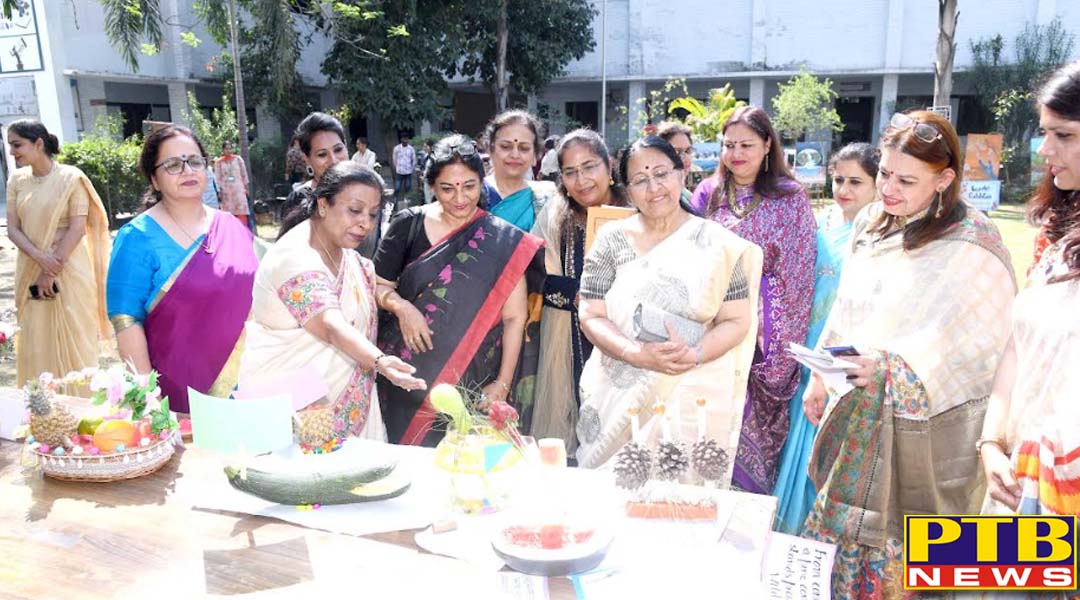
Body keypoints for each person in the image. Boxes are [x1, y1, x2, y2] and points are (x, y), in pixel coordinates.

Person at [801, 111, 1016, 597]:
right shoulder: (874, 223)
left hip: (927, 427)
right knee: (840, 549)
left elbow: (982, 348)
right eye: (885, 174)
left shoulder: (974, 243)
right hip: (856, 412)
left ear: (944, 180)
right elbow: (848, 306)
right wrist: (820, 374)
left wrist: (893, 368)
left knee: (924, 561)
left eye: (906, 180)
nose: (889, 189)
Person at [575, 136, 762, 473]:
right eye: (640, 180)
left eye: (661, 174)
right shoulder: (611, 239)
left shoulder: (719, 245)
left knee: (677, 503)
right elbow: (590, 312)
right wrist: (635, 353)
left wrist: (696, 354)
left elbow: (736, 319)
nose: (654, 188)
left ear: (681, 174)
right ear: (628, 189)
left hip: (689, 391)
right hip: (618, 392)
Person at [373, 134, 545, 446]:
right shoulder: (407, 225)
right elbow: (379, 287)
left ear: (482, 182)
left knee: (467, 467)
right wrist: (403, 308)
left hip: (474, 378)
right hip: (408, 376)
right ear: (431, 186)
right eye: (447, 188)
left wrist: (502, 385)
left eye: (469, 186)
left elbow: (514, 319)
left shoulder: (502, 240)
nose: (460, 198)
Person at [240, 162, 425, 441]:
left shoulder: (349, 257)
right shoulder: (294, 257)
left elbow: (366, 293)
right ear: (323, 205)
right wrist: (380, 361)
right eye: (354, 210)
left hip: (348, 399)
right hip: (292, 405)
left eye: (373, 214)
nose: (365, 223)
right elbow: (329, 323)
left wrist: (400, 305)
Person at [691, 106, 817, 494]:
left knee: (754, 430)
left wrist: (772, 339)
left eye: (746, 144)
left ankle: (749, 509)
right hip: (710, 322)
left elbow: (799, 273)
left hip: (767, 337)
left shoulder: (790, 197)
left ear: (767, 145)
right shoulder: (708, 194)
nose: (736, 154)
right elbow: (690, 255)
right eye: (729, 145)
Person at [980, 60, 1080, 518]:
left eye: (1065, 135)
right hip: (1020, 479)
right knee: (956, 567)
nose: (1044, 151)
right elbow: (1018, 345)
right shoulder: (1055, 235)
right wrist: (990, 443)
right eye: (1045, 133)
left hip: (1067, 495)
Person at [107, 125, 261, 414]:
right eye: (173, 165)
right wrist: (147, 400)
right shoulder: (137, 237)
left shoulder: (231, 227)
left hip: (248, 383)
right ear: (154, 179)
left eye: (195, 162)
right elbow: (126, 322)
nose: (187, 171)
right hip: (176, 396)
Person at [771, 142, 879, 535]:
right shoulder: (824, 226)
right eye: (838, 180)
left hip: (844, 352)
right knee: (802, 433)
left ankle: (824, 532)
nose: (844, 189)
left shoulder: (876, 238)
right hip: (810, 349)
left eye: (856, 182)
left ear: (877, 185)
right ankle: (795, 532)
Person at [530, 129, 628, 450]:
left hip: (627, 340)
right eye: (570, 172)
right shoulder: (555, 216)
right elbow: (533, 274)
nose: (581, 180)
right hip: (570, 339)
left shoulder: (637, 210)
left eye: (589, 167)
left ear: (609, 166)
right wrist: (572, 292)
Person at [6, 119, 111, 387]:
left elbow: (77, 228)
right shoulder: (17, 180)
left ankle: (83, 408)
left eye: (17, 145)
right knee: (35, 338)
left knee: (77, 337)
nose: (12, 152)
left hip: (70, 268)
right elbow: (13, 229)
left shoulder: (71, 178)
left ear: (38, 143)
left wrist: (50, 270)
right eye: (10, 146)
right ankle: (41, 410)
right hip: (31, 267)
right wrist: (42, 262)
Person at [285, 113, 382, 259]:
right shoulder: (300, 200)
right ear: (307, 159)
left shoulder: (370, 196)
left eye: (338, 150)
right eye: (322, 154)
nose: (334, 160)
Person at [481, 110, 559, 231]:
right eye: (506, 147)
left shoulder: (548, 197)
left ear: (535, 156)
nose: (515, 155)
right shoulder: (471, 193)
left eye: (524, 148)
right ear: (490, 149)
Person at [213, 140, 251, 228]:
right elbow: (217, 178)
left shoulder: (238, 159)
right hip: (226, 194)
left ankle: (243, 233)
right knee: (228, 215)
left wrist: (247, 188)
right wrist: (219, 192)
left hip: (239, 191)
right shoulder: (218, 162)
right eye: (226, 149)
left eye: (230, 149)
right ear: (223, 150)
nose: (228, 151)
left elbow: (244, 175)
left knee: (241, 212)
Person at [657, 121, 695, 199]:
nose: (685, 158)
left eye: (687, 151)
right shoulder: (655, 196)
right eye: (677, 152)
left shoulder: (690, 198)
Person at [392, 134, 416, 211]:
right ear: (401, 139)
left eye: (407, 139)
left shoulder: (411, 149)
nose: (405, 140)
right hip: (399, 171)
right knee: (397, 187)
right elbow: (394, 158)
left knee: (408, 186)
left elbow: (413, 159)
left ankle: (407, 201)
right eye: (404, 139)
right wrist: (397, 167)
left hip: (408, 170)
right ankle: (394, 202)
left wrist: (412, 168)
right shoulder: (397, 148)